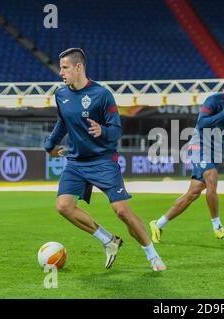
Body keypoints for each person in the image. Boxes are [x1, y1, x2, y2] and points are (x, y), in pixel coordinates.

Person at [44, 48, 166, 271]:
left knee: (122, 211)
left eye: (65, 67)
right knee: (64, 206)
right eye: (61, 67)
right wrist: (50, 144)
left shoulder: (102, 95)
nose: (61, 72)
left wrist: (103, 130)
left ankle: (152, 254)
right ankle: (108, 240)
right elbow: (63, 122)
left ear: (79, 67)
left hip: (102, 160)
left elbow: (117, 130)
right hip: (76, 162)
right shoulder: (61, 95)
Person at [149, 79, 224, 243]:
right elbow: (201, 123)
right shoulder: (214, 100)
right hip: (199, 147)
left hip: (215, 152)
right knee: (212, 178)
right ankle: (217, 226)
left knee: (192, 194)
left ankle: (158, 224)